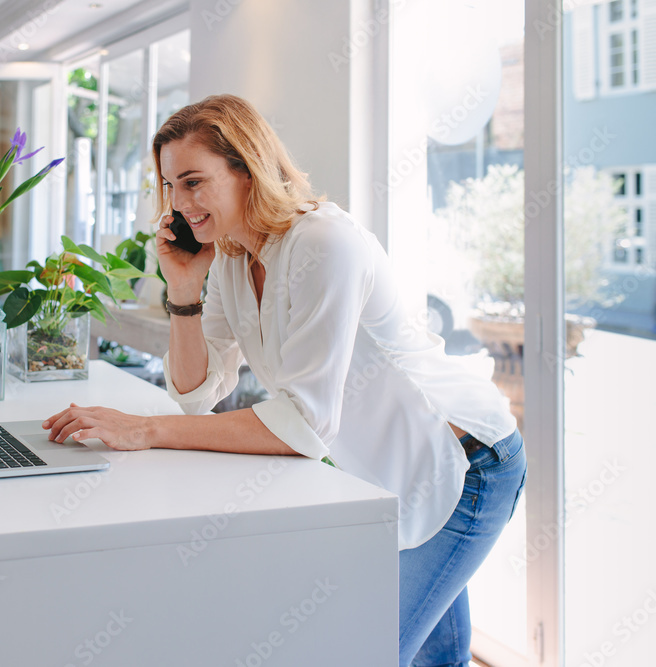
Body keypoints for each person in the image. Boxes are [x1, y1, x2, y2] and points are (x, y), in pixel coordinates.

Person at [42, 94, 527, 666]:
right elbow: (197, 395)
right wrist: (181, 290)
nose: (179, 203)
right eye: (171, 186)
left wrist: (146, 429)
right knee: (433, 656)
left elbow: (305, 422)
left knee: (370, 650)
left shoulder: (324, 244)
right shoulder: (228, 259)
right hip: (391, 470)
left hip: (464, 461)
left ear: (247, 167)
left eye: (194, 181)